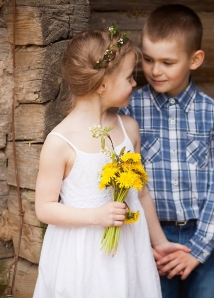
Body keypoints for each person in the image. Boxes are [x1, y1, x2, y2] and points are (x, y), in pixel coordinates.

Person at [33, 24, 190, 298]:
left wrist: (160, 242)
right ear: (102, 84)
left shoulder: (128, 128)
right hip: (83, 255)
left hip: (130, 249)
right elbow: (44, 209)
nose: (134, 84)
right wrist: (96, 215)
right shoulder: (59, 142)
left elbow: (140, 194)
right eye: (129, 77)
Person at [118, 4, 214, 298]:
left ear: (195, 60)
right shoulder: (131, 108)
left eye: (168, 62)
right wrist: (151, 240)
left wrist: (199, 248)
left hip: (203, 234)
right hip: (151, 237)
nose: (155, 71)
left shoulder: (212, 113)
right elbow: (129, 180)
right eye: (148, 60)